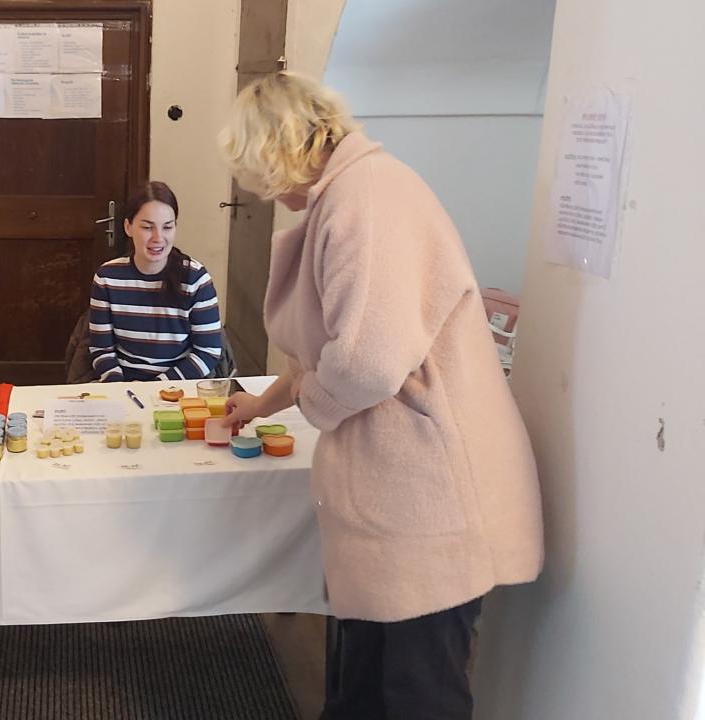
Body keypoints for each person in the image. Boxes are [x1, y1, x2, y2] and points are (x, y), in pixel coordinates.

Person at [219, 72, 544, 719]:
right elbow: (326, 353)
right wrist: (261, 405)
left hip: (427, 500)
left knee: (416, 694)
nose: (261, 191)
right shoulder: (349, 193)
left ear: (279, 150)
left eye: (257, 173)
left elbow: (366, 365)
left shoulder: (365, 199)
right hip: (398, 499)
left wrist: (311, 403)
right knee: (362, 687)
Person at [88, 181, 223, 382]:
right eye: (147, 227)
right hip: (122, 384)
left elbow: (208, 352)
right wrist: (118, 386)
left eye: (167, 227)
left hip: (177, 386)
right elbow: (101, 350)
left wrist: (158, 387)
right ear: (128, 227)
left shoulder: (195, 278)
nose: (158, 238)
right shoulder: (107, 277)